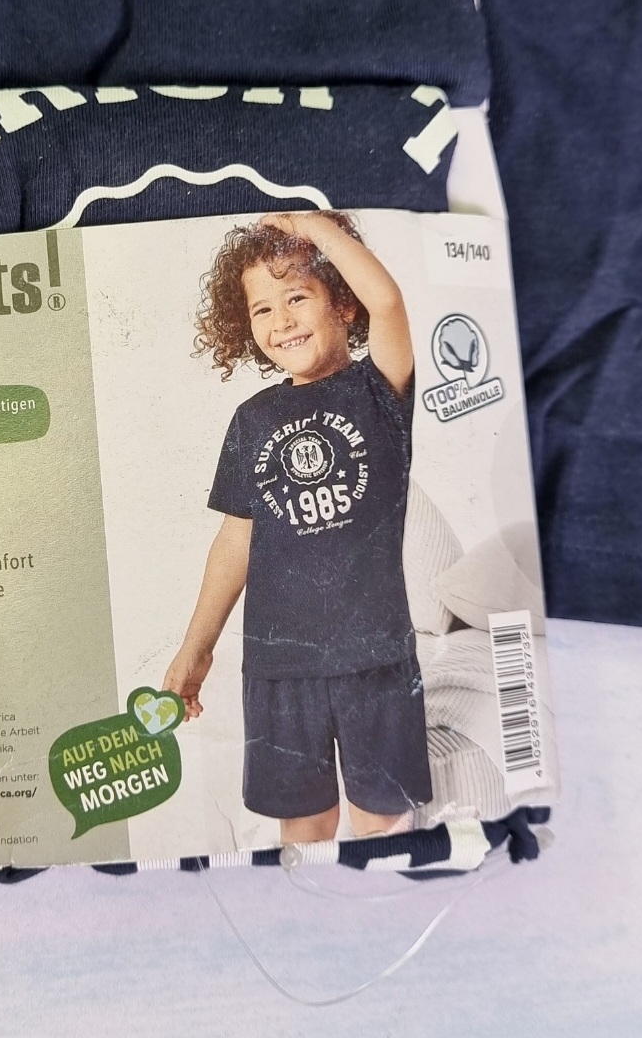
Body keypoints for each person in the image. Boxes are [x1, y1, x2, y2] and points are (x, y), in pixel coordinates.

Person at [163, 210, 433, 844]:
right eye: (262, 308)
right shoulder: (253, 419)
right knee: (304, 830)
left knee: (384, 824)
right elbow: (236, 540)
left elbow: (388, 300)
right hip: (278, 668)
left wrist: (314, 228)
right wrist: (196, 647)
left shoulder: (380, 388)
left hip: (376, 657)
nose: (281, 320)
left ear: (342, 303)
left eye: (297, 297)